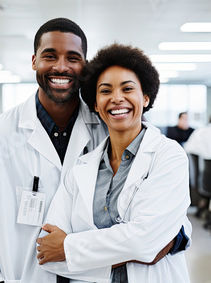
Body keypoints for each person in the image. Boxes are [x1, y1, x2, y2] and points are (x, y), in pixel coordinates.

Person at [0, 19, 188, 283]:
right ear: (34, 61)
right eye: (50, 56)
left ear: (84, 66)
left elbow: (167, 221)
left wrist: (160, 241)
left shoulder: (113, 125)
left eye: (73, 58)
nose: (61, 66)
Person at [36, 44, 191, 282]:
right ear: (96, 105)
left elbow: (143, 240)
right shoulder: (80, 168)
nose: (117, 98)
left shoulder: (169, 157)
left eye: (128, 88)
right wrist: (135, 250)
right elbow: (49, 252)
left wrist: (70, 247)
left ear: (146, 97)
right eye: (105, 91)